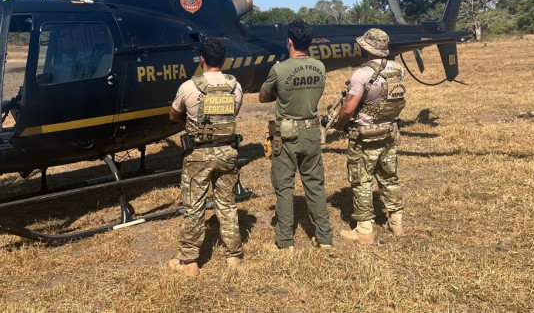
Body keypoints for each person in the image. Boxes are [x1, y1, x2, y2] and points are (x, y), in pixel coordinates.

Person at [168, 39, 244, 276]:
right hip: (228, 153)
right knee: (227, 204)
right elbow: (234, 113)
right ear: (223, 60)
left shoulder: (189, 87)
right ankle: (234, 256)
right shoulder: (235, 86)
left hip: (199, 155)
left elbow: (173, 116)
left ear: (201, 59)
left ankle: (189, 261)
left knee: (194, 207)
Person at [259, 19, 333, 251]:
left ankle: (284, 241)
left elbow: (263, 96)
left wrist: (281, 96)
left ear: (289, 41)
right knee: (315, 185)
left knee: (284, 187)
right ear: (309, 42)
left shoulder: (279, 69)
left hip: (286, 134)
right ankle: (324, 238)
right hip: (311, 132)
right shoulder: (320, 67)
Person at [334, 28, 406, 245]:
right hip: (389, 132)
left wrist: (339, 125)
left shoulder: (361, 74)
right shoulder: (398, 70)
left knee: (362, 181)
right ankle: (396, 222)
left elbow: (349, 109)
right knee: (389, 177)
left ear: (365, 48)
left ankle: (364, 230)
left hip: (364, 136)